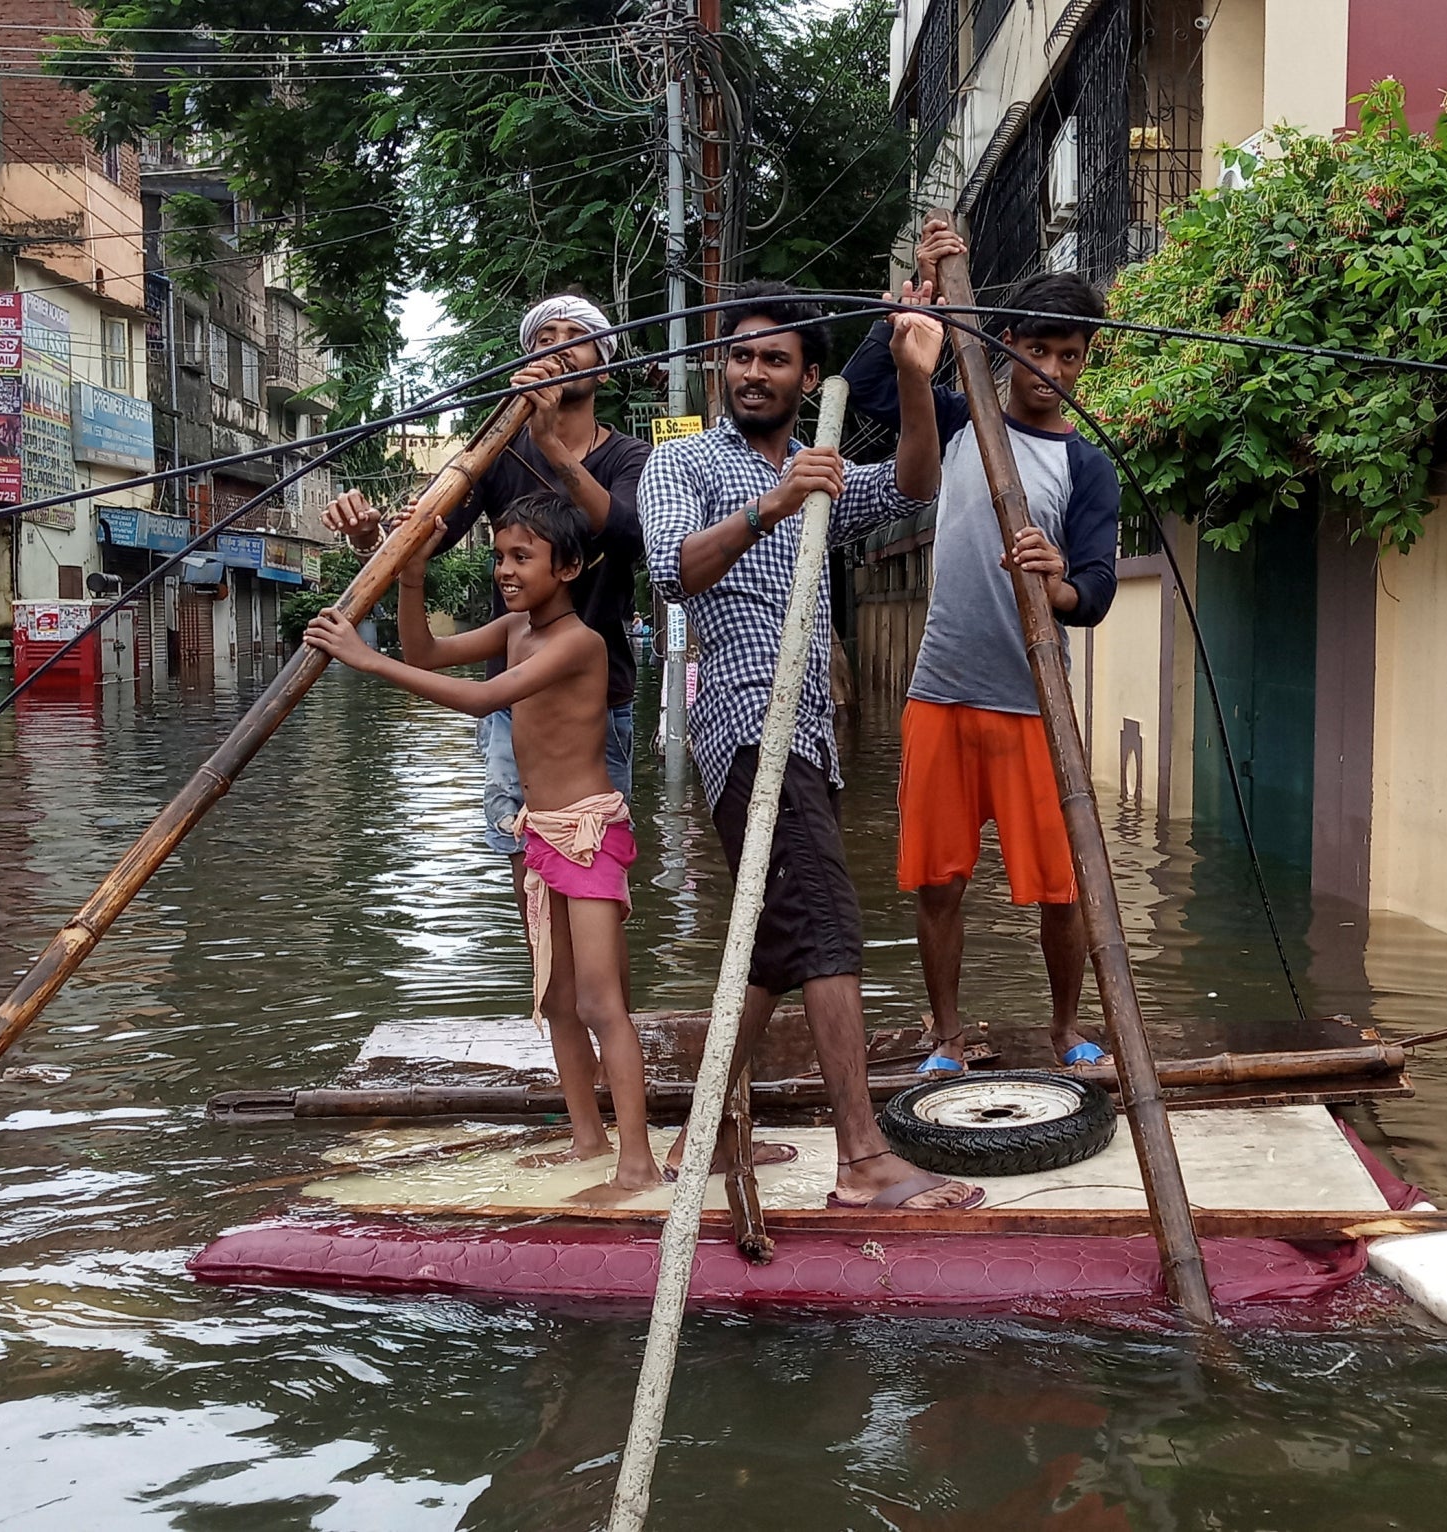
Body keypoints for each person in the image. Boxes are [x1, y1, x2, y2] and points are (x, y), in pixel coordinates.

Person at [639, 278, 982, 1213]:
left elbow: (913, 481)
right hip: (747, 727)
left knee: (775, 945)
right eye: (741, 356)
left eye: (774, 359)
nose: (754, 372)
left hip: (812, 739)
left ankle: (701, 1139)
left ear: (808, 376)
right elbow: (672, 571)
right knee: (827, 924)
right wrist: (773, 505)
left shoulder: (824, 469)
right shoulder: (690, 467)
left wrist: (916, 375)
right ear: (722, 367)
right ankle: (863, 1157)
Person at [304, 493, 658, 1200]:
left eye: (521, 557)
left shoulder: (579, 644)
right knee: (555, 1001)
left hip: (589, 834)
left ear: (569, 567)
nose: (504, 569)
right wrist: (411, 574)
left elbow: (479, 699)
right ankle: (587, 1140)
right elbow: (427, 651)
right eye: (499, 556)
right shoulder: (516, 629)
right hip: (540, 836)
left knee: (600, 1003)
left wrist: (364, 662)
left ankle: (638, 1162)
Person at [841, 218, 1121, 1076]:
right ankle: (947, 1035)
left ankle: (1066, 1028)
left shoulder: (1088, 468)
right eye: (1042, 350)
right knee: (940, 882)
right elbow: (868, 388)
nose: (1056, 372)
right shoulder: (959, 419)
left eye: (1072, 355)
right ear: (1006, 345)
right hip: (942, 691)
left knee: (1061, 887)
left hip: (1035, 701)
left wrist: (1055, 578)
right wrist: (909, 314)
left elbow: (1097, 593)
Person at [323, 294, 650, 1015]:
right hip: (512, 713)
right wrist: (372, 538)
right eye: (545, 337)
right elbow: (428, 542)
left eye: (577, 339)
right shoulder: (495, 455)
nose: (559, 347)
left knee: (597, 893)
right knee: (530, 882)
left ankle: (610, 1034)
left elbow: (628, 536)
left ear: (605, 360)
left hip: (600, 711)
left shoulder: (628, 455)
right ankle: (561, 1043)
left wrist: (557, 452)